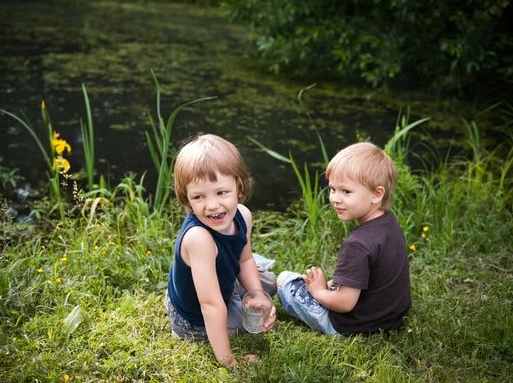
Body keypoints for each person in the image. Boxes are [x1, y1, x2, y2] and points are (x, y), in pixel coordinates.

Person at [276, 141, 411, 335]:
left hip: (353, 325)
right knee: (330, 285)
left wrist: (318, 291)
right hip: (391, 319)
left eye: (346, 191)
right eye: (332, 189)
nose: (335, 198)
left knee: (285, 279)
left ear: (376, 194)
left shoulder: (357, 245)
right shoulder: (389, 223)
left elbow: (345, 304)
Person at [165, 134, 277, 367]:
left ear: (239, 186)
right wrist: (229, 361)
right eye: (199, 197)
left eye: (221, 192)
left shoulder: (243, 215)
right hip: (195, 317)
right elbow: (211, 306)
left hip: (219, 283)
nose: (212, 205)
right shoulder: (199, 238)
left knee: (263, 285)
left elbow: (245, 261)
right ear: (187, 198)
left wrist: (255, 293)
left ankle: (265, 289)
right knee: (247, 320)